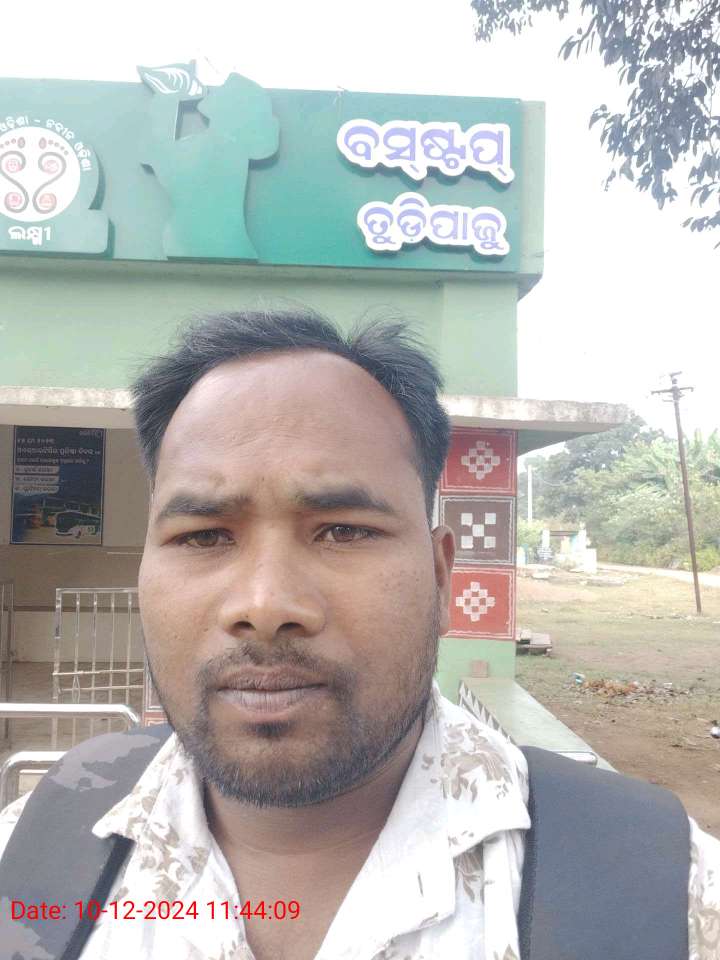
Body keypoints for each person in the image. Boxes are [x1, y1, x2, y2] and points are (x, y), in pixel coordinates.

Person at [1, 309, 719, 960]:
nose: (265, 605)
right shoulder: (29, 851)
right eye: (203, 535)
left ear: (440, 577)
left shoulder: (667, 897)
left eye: (343, 530)